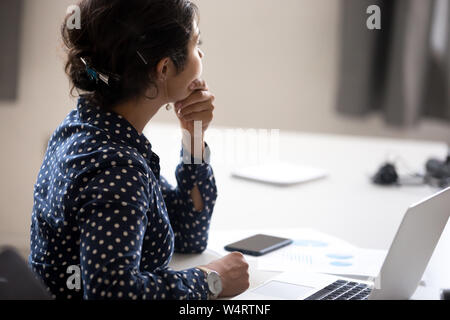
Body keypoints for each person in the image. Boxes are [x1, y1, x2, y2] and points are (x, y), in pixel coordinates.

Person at [28, 0, 249, 300]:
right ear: (165, 68)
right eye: (197, 44)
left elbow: (188, 233)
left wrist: (193, 135)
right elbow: (114, 294)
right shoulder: (117, 167)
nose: (201, 54)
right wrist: (211, 280)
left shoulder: (91, 127)